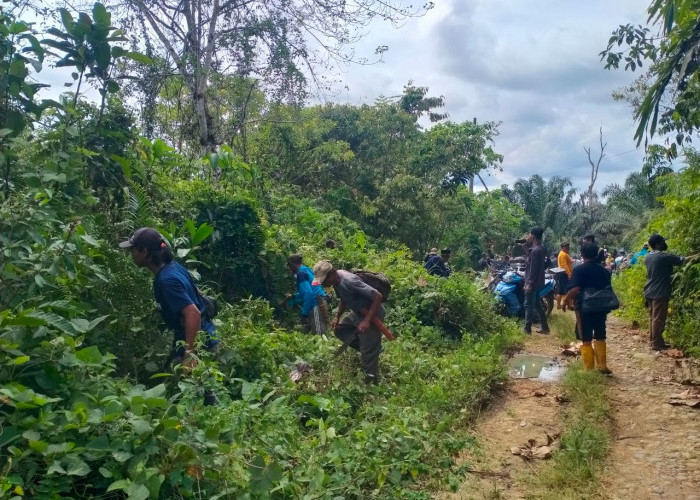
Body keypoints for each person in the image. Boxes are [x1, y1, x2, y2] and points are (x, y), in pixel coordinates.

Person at [119, 227, 219, 403]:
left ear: (145, 251)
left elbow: (193, 313)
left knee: (194, 397)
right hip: (204, 336)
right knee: (201, 394)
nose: (131, 254)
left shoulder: (166, 280)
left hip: (198, 343)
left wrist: (189, 355)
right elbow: (197, 293)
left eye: (133, 249)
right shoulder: (174, 268)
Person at [312, 260, 385, 384]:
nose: (323, 284)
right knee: (340, 330)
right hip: (358, 312)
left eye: (324, 280)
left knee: (368, 351)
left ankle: (371, 383)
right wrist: (337, 317)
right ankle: (372, 348)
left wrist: (367, 321)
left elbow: (377, 296)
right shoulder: (336, 282)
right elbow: (344, 299)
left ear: (332, 273)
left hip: (373, 314)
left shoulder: (349, 281)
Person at [563, 242, 613, 374]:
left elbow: (575, 288)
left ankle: (588, 368)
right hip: (601, 307)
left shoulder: (579, 269)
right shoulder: (604, 270)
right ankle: (602, 365)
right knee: (600, 334)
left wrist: (565, 301)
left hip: (584, 308)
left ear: (582, 254)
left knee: (586, 336)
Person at [643, 234, 688, 351]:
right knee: (658, 318)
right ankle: (656, 343)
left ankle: (654, 341)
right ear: (658, 244)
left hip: (649, 290)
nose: (664, 243)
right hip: (660, 291)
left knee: (653, 317)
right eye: (663, 241)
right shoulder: (663, 257)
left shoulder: (648, 256)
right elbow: (682, 260)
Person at [284, 254, 328, 336]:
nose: (289, 269)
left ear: (292, 264)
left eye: (289, 266)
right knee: (318, 334)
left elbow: (308, 294)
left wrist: (304, 314)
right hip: (320, 301)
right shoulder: (307, 270)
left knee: (320, 336)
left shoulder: (301, 274)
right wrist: (293, 297)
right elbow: (305, 293)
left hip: (316, 304)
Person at [523, 227, 549, 334]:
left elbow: (533, 268)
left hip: (533, 282)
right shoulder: (541, 248)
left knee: (528, 304)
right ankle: (545, 327)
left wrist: (529, 283)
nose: (528, 236)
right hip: (539, 281)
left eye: (529, 234)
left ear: (533, 236)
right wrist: (525, 248)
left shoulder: (535, 251)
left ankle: (527, 329)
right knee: (537, 304)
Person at [555, 241, 573, 309]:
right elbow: (564, 266)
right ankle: (569, 305)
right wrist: (569, 274)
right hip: (564, 274)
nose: (568, 247)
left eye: (568, 246)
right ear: (562, 247)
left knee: (561, 291)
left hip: (563, 274)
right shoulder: (563, 254)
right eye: (566, 246)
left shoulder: (565, 254)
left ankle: (559, 305)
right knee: (567, 290)